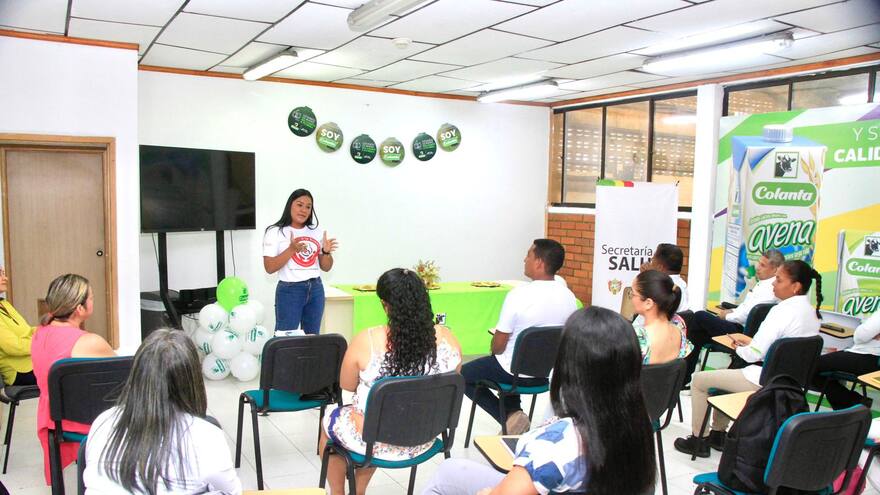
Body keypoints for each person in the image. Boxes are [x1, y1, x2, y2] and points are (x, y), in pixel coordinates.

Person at [421, 306, 656, 495]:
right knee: (451, 470)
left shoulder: (557, 443)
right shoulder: (638, 420)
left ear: (568, 365)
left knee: (444, 478)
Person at [319, 268, 462, 495]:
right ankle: (359, 489)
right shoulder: (448, 339)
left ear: (386, 305)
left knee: (332, 420)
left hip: (375, 441)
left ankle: (339, 493)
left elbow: (346, 384)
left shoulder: (368, 340)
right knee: (381, 416)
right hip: (426, 436)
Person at [674, 260, 822, 458]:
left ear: (796, 286)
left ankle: (698, 440)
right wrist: (751, 346)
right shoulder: (812, 313)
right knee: (727, 374)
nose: (773, 284)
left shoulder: (781, 311)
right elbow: (781, 346)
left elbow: (754, 354)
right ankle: (718, 434)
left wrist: (738, 346)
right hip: (787, 382)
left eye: (778, 280)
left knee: (700, 380)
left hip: (762, 379)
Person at [84, 329, 241, 494]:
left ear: (137, 375)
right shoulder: (206, 436)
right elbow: (231, 491)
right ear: (193, 382)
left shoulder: (102, 422)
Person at [460, 239, 578, 435]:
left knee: (462, 374)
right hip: (545, 374)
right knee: (507, 359)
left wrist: (495, 345)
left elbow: (498, 346)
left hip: (512, 372)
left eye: (529, 255)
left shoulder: (519, 295)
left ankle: (509, 417)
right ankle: (514, 413)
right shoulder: (569, 297)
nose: (525, 259)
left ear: (539, 262)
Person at [31, 274, 115, 485]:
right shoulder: (89, 342)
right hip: (84, 420)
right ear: (79, 308)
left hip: (53, 417)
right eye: (92, 298)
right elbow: (126, 374)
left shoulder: (39, 333)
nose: (93, 301)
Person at [684, 249, 784, 381]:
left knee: (698, 316)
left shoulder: (768, 289)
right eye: (759, 263)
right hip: (740, 324)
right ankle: (687, 377)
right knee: (698, 333)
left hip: (742, 333)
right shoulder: (765, 285)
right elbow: (746, 310)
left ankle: (684, 377)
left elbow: (745, 315)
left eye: (763, 265)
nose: (757, 268)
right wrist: (732, 312)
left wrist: (725, 315)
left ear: (775, 269)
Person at [263, 188, 338, 335]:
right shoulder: (275, 232)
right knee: (285, 338)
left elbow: (326, 267)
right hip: (290, 290)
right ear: (290, 205)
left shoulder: (316, 231)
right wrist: (291, 250)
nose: (304, 210)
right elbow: (269, 267)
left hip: (316, 288)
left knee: (312, 337)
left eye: (308, 207)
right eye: (299, 204)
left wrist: (326, 252)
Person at [810, 310, 880, 410]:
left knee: (811, 365)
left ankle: (854, 403)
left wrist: (862, 331)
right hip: (871, 360)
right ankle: (852, 403)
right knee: (822, 366)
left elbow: (860, 336)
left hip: (869, 357)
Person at [631, 269, 693, 365]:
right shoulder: (679, 324)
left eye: (633, 294)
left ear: (648, 303)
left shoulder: (638, 337)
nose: (631, 298)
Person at [0, 265, 36, 387]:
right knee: (70, 372)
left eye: (4, 273)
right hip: (19, 372)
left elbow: (27, 330)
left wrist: (47, 329)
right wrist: (41, 342)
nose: (5, 278)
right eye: (0, 275)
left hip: (33, 362)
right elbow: (14, 347)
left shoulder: (4, 304)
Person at [642, 243, 689, 313]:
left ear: (660, 267)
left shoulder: (661, 288)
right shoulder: (682, 285)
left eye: (653, 258)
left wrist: (648, 277)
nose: (651, 260)